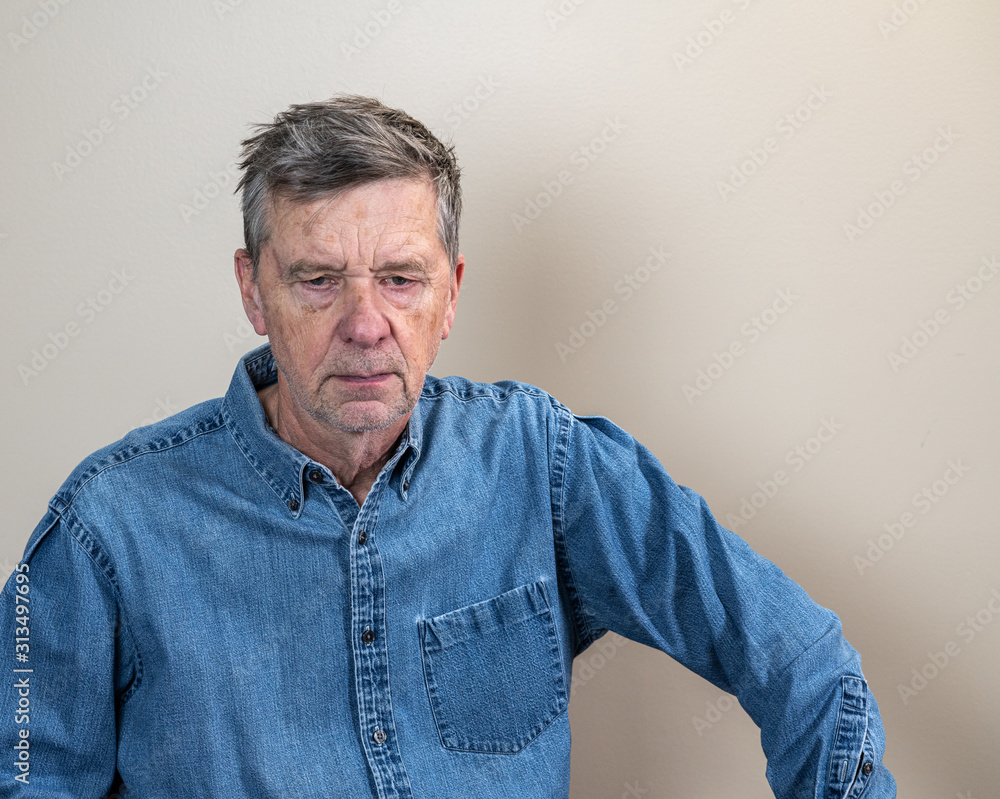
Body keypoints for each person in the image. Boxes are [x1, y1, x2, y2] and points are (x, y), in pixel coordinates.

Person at [1, 95, 896, 798]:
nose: (366, 324)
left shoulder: (540, 463)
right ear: (252, 289)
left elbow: (799, 658)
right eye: (318, 280)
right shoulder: (108, 529)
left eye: (401, 279)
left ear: (452, 293)